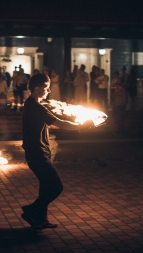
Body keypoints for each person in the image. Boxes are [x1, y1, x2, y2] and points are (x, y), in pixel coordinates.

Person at [20, 73, 93, 230]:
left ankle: (41, 219)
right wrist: (81, 126)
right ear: (37, 88)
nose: (48, 91)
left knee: (46, 186)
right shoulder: (36, 107)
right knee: (56, 186)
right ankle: (30, 210)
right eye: (46, 88)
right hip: (37, 153)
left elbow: (57, 115)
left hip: (38, 151)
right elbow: (59, 123)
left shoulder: (32, 104)